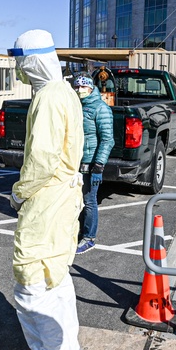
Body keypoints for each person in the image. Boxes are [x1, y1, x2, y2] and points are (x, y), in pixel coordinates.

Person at [6, 29, 86, 350]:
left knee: (33, 289)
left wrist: (19, 192)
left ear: (33, 60)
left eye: (20, 60)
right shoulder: (63, 90)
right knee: (56, 279)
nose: (18, 68)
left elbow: (41, 158)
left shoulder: (50, 97)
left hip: (46, 202)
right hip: (63, 199)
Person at [73, 74, 114, 254]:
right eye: (76, 87)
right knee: (76, 200)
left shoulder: (100, 109)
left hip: (91, 164)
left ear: (90, 88)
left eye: (83, 87)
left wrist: (99, 163)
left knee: (90, 201)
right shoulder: (76, 107)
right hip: (75, 162)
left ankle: (89, 238)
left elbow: (107, 140)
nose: (79, 90)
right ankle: (78, 232)